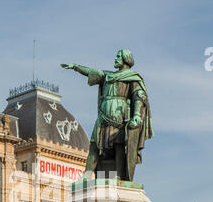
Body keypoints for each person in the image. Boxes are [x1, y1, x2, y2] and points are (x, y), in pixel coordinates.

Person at [61, 49, 153, 181]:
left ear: (125, 59)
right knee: (94, 144)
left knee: (119, 145)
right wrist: (75, 67)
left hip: (120, 117)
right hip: (103, 116)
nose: (115, 59)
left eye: (118, 56)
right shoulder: (108, 75)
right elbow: (91, 72)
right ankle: (88, 173)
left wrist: (137, 115)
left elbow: (139, 96)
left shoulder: (133, 78)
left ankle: (119, 174)